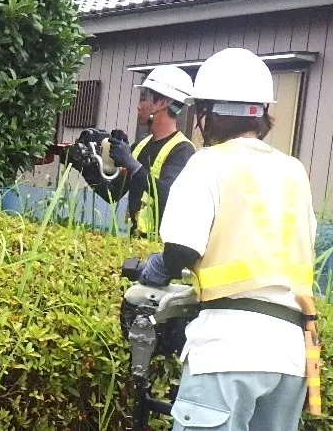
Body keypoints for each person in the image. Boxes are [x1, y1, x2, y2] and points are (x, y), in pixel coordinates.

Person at [140, 47, 316, 430]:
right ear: (262, 113)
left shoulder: (208, 161)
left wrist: (156, 268)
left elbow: (183, 248)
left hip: (228, 352)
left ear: (205, 113)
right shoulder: (294, 171)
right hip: (291, 356)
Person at [78, 64, 196, 236]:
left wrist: (131, 164)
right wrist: (85, 164)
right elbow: (113, 194)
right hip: (136, 240)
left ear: (161, 103)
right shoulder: (140, 147)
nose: (138, 106)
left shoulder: (183, 150)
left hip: (162, 247)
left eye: (143, 98)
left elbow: (169, 195)